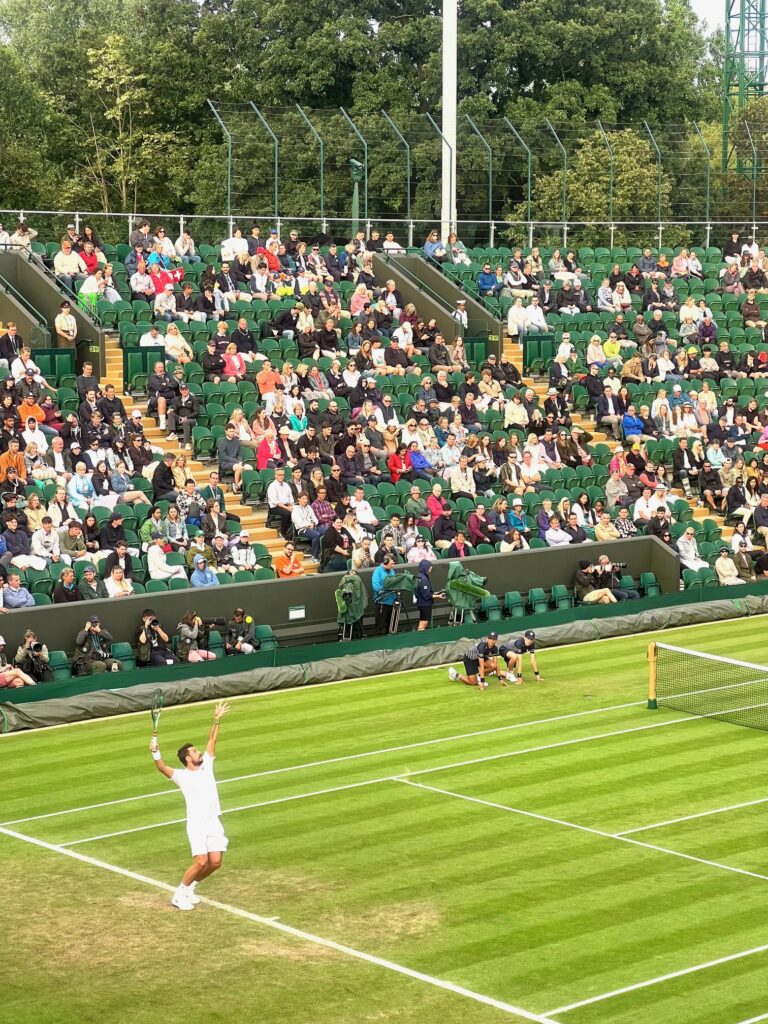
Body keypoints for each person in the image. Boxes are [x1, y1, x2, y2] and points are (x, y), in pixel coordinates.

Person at [150, 700, 231, 911]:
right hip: (196, 825)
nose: (199, 753)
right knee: (201, 862)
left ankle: (190, 888)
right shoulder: (181, 776)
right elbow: (160, 767)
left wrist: (217, 719)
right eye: (195, 752)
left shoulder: (208, 765)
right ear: (187, 759)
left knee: (216, 862)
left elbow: (212, 739)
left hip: (213, 822)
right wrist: (155, 751)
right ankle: (179, 895)